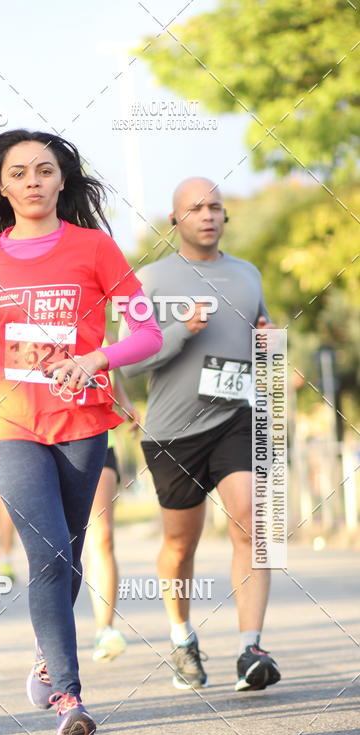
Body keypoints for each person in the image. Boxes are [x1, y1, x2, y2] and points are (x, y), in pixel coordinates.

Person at [0, 129, 163, 735]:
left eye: (45, 170)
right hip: (11, 422)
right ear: (2, 186)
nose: (33, 181)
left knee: (69, 556)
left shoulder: (95, 248)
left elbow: (147, 335)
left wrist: (96, 356)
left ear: (62, 179)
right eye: (19, 173)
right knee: (47, 552)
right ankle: (70, 698)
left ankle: (48, 661)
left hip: (82, 420)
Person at [122, 176, 280, 693]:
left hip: (234, 416)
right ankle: (182, 636)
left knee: (252, 520)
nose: (208, 215)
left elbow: (266, 346)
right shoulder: (150, 281)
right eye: (196, 208)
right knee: (179, 543)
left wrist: (268, 342)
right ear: (176, 221)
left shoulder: (248, 275)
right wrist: (179, 331)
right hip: (173, 431)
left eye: (215, 206)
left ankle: (250, 649)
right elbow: (129, 363)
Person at [86, 367, 140, 662]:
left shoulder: (101, 332)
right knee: (57, 543)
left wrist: (126, 406)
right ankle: (49, 639)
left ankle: (105, 629)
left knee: (102, 536)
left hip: (97, 442)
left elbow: (114, 384)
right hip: (45, 442)